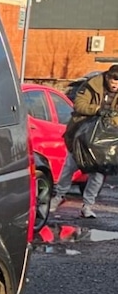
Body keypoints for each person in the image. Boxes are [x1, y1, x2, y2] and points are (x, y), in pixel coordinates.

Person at [51, 64, 118, 219]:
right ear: (107, 77)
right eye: (114, 81)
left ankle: (87, 205)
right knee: (70, 166)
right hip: (82, 134)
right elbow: (79, 104)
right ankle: (59, 196)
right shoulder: (91, 85)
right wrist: (97, 110)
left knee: (98, 173)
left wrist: (111, 117)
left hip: (105, 140)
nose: (115, 85)